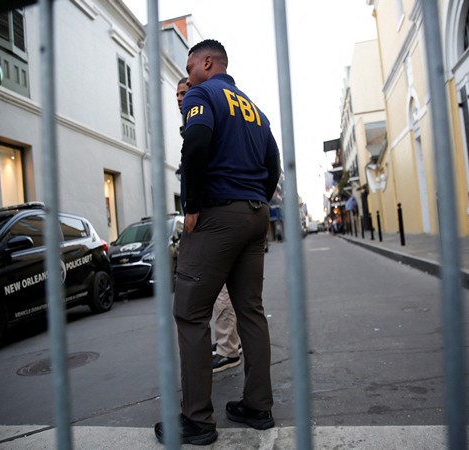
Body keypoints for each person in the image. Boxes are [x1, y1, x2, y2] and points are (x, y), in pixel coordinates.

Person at [155, 40, 281, 445]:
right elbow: (273, 163)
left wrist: (192, 203)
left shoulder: (202, 94)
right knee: (251, 311)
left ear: (207, 63)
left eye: (190, 65)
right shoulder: (254, 109)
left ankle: (196, 420)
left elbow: (196, 142)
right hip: (254, 214)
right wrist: (257, 198)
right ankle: (258, 407)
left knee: (190, 314)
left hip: (217, 215)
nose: (187, 73)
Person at [176, 77, 242, 374]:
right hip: (221, 214)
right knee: (226, 292)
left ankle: (228, 350)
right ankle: (229, 344)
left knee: (219, 292)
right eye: (177, 93)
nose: (180, 98)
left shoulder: (202, 110)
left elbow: (198, 156)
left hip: (209, 216)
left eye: (184, 92)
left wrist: (192, 208)